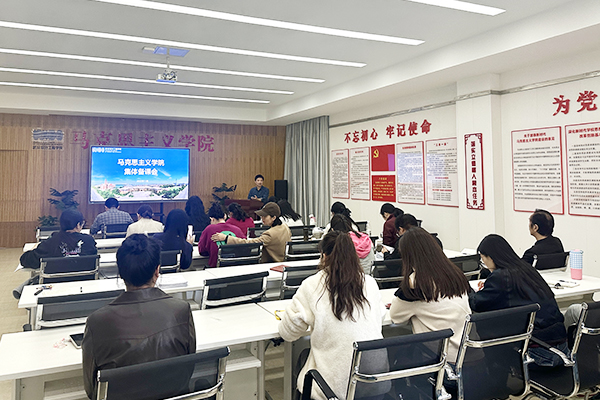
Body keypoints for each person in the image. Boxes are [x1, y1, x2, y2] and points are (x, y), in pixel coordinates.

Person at [82, 234, 196, 399]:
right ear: (157, 271)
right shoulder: (181, 310)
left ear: (121, 273)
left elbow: (92, 390)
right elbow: (187, 369)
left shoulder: (97, 321)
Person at [278, 230, 386, 400]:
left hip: (333, 389)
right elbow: (381, 316)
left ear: (324, 255)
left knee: (304, 358)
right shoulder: (369, 283)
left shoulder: (312, 285)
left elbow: (288, 333)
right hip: (374, 383)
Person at [471, 234, 568, 368]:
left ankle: (492, 374)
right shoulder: (527, 269)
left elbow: (477, 303)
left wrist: (467, 289)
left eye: (483, 259)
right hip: (561, 346)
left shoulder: (501, 276)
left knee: (483, 325)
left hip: (538, 352)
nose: (485, 264)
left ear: (491, 257)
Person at [389, 227, 471, 364]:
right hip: (469, 354)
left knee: (396, 354)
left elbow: (396, 318)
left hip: (441, 360)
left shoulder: (416, 284)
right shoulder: (455, 274)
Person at [211, 202, 291, 263]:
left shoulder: (270, 234)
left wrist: (226, 238)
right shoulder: (285, 227)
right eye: (261, 216)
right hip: (283, 262)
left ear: (273, 218)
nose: (262, 218)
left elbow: (248, 244)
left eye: (265, 216)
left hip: (271, 264)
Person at [20, 209, 97, 268]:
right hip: (84, 282)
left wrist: (34, 249)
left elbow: (25, 260)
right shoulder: (89, 241)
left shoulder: (52, 241)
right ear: (78, 225)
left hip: (56, 282)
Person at [198, 203, 245, 268]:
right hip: (236, 267)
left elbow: (202, 251)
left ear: (211, 219)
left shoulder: (209, 229)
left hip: (216, 268)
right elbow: (245, 247)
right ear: (225, 216)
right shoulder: (237, 229)